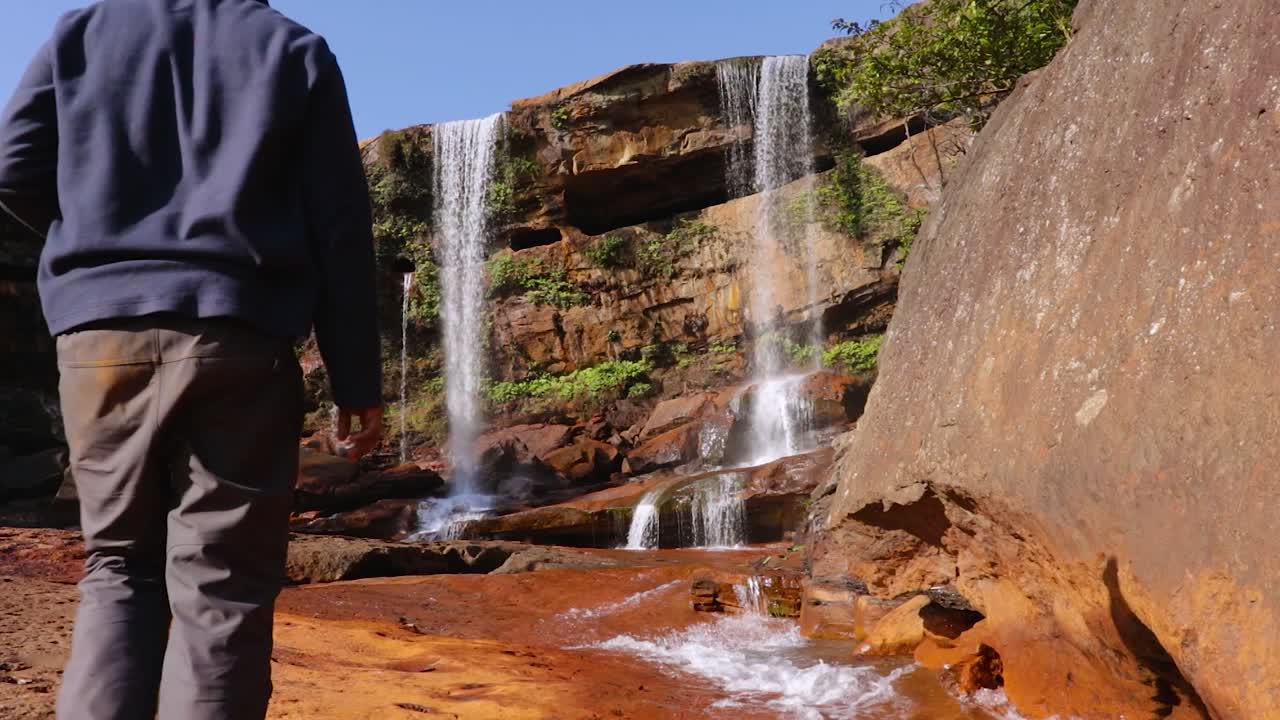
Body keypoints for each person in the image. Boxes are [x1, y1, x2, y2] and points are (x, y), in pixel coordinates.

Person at [0, 1, 383, 718]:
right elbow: (340, 228)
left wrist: (93, 243)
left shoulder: (81, 30)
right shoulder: (291, 49)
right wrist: (355, 377)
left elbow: (13, 169)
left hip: (98, 340)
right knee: (222, 583)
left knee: (117, 568)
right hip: (238, 334)